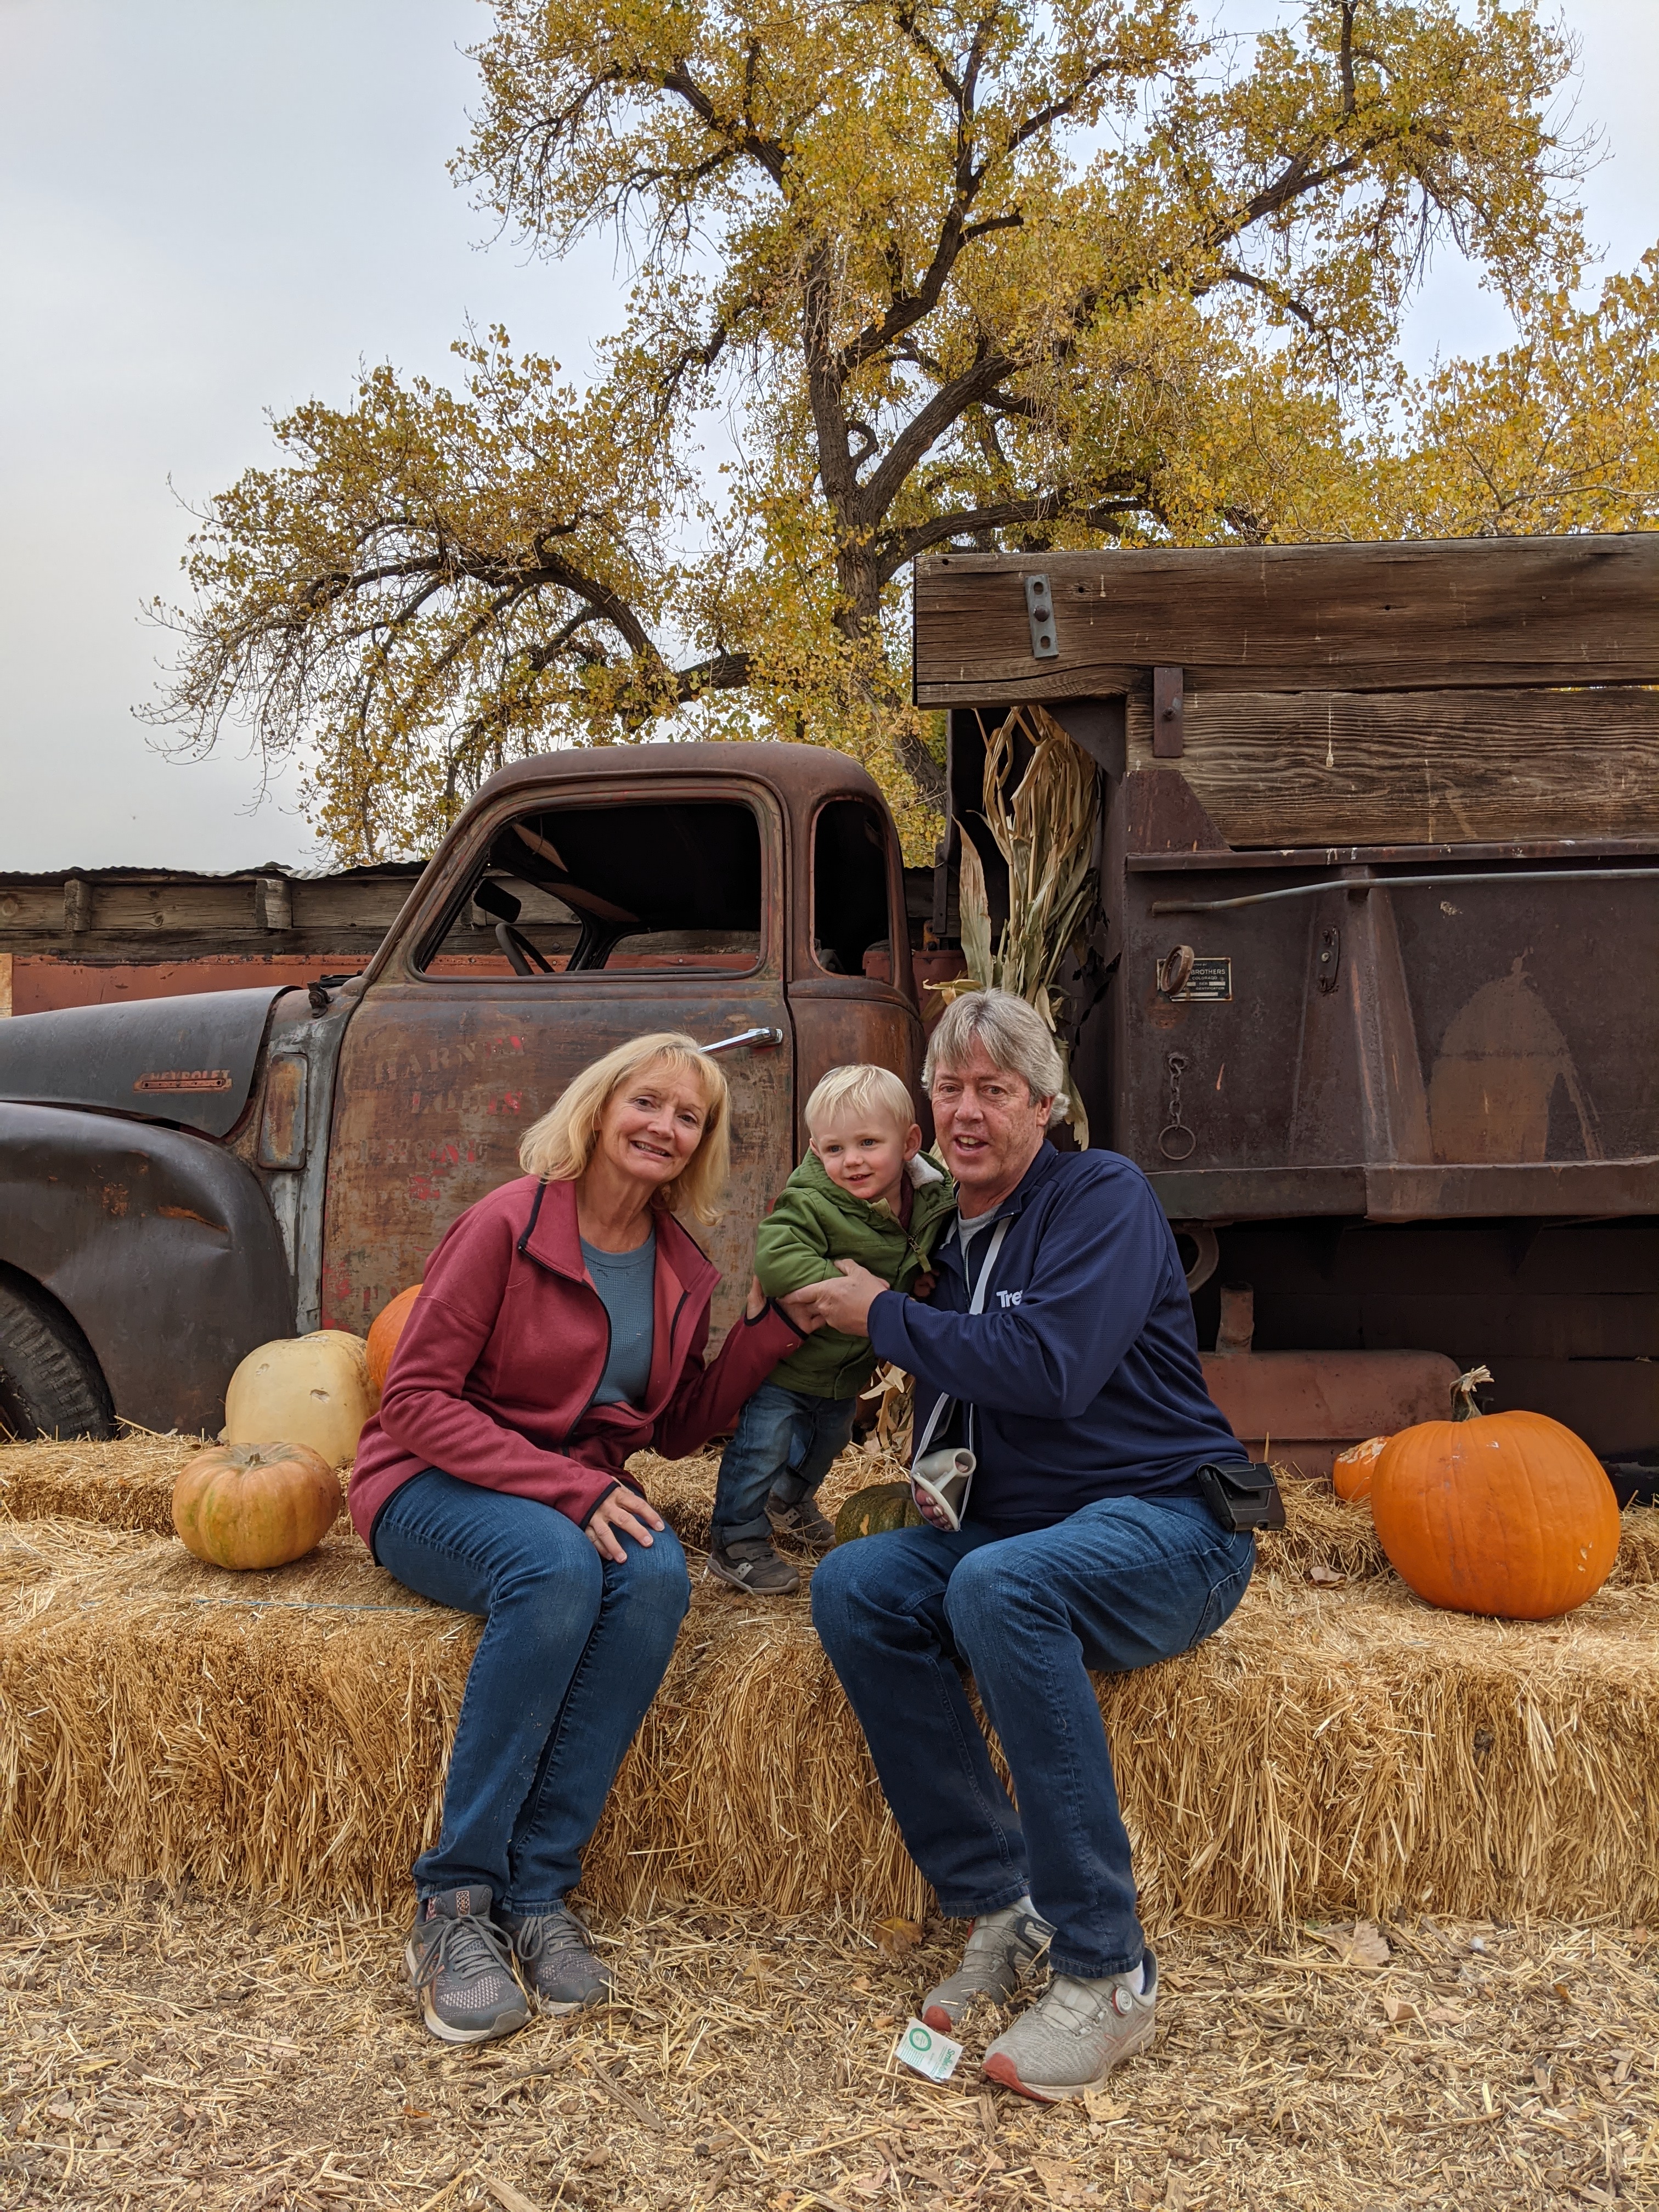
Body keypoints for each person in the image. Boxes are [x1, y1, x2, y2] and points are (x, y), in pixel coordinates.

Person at [805, 989, 1254, 2103]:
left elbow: (1050, 1368)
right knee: (858, 1583)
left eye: (992, 1091)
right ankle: (1001, 1899)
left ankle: (1108, 1968)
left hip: (1169, 1527)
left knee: (1005, 1586)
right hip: (1024, 1533)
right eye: (947, 1089)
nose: (966, 1112)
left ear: (1045, 1107)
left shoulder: (1101, 1195)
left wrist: (883, 1316)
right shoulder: (944, 1235)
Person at [348, 1032, 812, 2045]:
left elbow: (678, 1426)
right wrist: (565, 1486)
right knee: (553, 1566)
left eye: (688, 1117)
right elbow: (415, 1398)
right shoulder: (504, 1226)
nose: (664, 1126)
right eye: (647, 1102)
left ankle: (538, 1891)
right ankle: (454, 1900)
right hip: (433, 1480)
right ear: (600, 1110)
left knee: (652, 1577)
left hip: (567, 1488)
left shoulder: (681, 1265)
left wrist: (770, 1333)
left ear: (700, 1143)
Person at [708, 1064, 956, 1595]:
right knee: (761, 1450)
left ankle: (790, 1503)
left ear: (910, 1142)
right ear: (817, 1151)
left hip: (846, 1373)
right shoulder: (813, 1201)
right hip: (789, 1366)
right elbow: (776, 1262)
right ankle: (737, 1540)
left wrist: (918, 1281)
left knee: (828, 1441)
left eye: (869, 1143)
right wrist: (846, 1293)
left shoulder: (932, 1199)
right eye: (836, 1148)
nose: (853, 1161)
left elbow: (920, 1252)